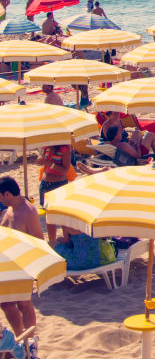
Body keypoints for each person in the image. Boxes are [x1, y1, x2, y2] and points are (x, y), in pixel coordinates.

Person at [0, 177, 42, 338]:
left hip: (22, 264)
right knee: (6, 304)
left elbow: (39, 241)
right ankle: (21, 338)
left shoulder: (27, 212)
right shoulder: (9, 210)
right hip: (8, 264)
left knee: (23, 303)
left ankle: (29, 341)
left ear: (7, 194)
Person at [39, 142, 72, 238]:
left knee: (62, 214)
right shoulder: (47, 146)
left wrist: (48, 163)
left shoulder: (64, 148)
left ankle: (66, 239)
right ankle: (52, 240)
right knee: (49, 215)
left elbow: (65, 170)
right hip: (45, 183)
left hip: (58, 184)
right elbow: (43, 160)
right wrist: (40, 160)